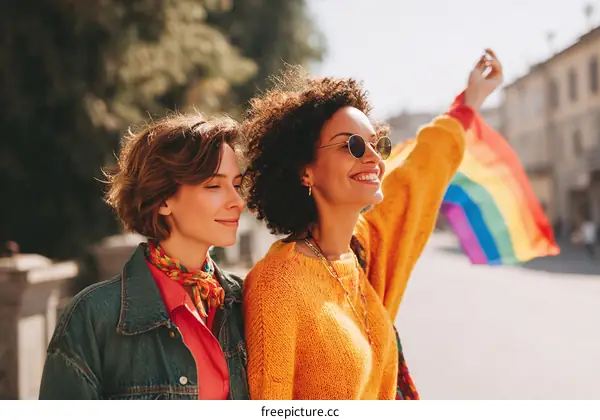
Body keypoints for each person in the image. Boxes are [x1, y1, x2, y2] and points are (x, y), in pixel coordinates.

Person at [241, 50, 503, 399]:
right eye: (351, 145)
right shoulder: (276, 283)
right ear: (305, 170)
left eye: (377, 145)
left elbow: (415, 176)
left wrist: (469, 103)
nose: (374, 158)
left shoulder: (359, 251)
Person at [39, 113, 249, 399]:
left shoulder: (246, 304)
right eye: (214, 185)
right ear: (163, 199)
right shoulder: (92, 318)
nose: (237, 201)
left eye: (237, 185)